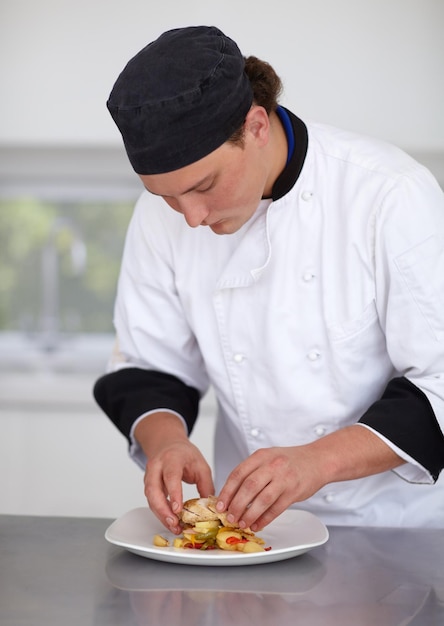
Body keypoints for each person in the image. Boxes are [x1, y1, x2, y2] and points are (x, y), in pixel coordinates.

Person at [94, 25, 444, 533]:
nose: (190, 218)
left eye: (204, 186)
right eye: (167, 197)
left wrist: (316, 461)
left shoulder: (390, 194)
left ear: (256, 125)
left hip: (396, 531)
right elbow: (148, 365)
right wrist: (166, 440)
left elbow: (439, 384)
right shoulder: (160, 220)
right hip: (253, 532)